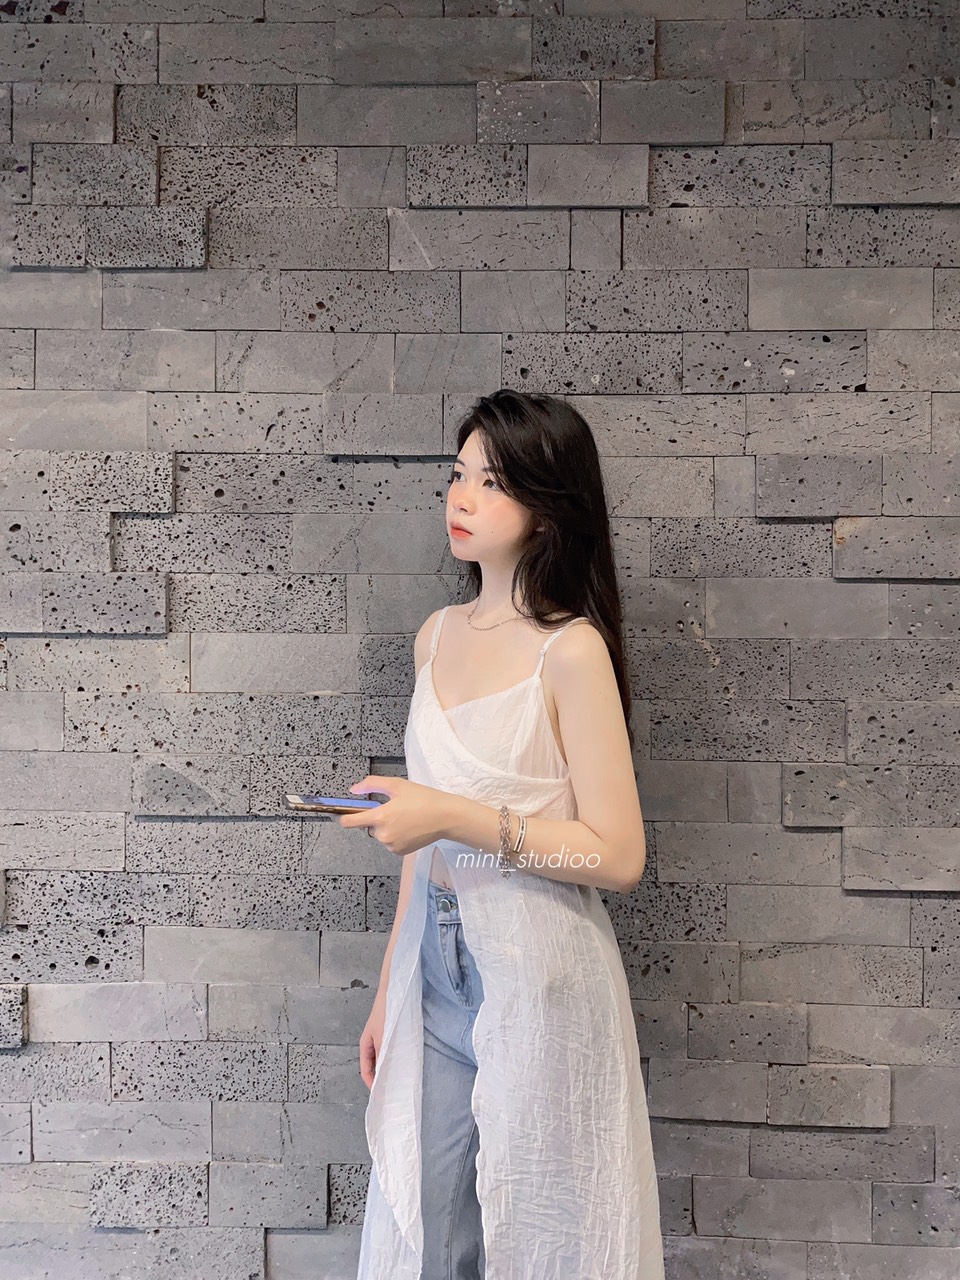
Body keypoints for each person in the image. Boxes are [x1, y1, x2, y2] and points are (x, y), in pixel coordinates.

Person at [342, 390, 665, 1280]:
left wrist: (450, 813)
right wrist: (388, 991)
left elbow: (617, 853)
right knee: (430, 1233)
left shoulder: (570, 650)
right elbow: (421, 846)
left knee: (541, 1228)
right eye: (458, 475)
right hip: (434, 965)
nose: (462, 498)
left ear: (548, 508)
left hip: (540, 968)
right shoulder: (435, 638)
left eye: (493, 482)